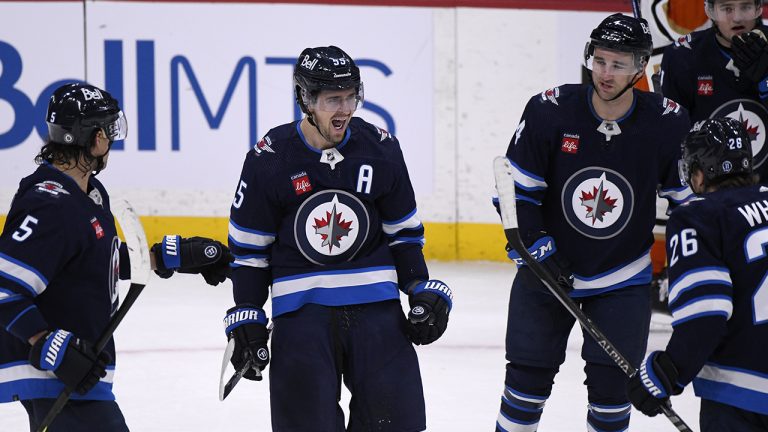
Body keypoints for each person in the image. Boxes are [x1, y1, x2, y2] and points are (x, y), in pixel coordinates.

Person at [222, 45, 453, 431]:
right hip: (301, 318)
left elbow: (405, 236)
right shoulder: (271, 158)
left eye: (351, 97)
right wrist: (246, 313)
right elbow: (249, 252)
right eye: (333, 99)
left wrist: (420, 289)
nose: (344, 109)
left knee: (396, 424)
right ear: (305, 99)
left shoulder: (381, 148)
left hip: (378, 313)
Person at [495, 14, 692, 432]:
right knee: (524, 385)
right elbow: (515, 192)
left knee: (611, 396)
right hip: (545, 272)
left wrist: (691, 264)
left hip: (622, 277)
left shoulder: (668, 122)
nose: (605, 73)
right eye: (599, 61)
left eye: (619, 64)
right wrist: (535, 246)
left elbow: (690, 207)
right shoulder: (550, 110)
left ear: (641, 67)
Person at [0, 82, 233, 431]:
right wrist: (48, 345)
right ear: (95, 139)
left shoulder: (88, 194)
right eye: (108, 131)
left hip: (80, 376)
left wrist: (166, 257)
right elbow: (5, 287)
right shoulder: (50, 203)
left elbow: (89, 263)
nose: (111, 141)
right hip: (58, 378)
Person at [627, 117, 768, 431]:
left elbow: (706, 314)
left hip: (743, 393)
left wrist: (668, 371)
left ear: (700, 173)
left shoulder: (699, 217)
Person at [660, 0, 768, 180]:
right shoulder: (683, 57)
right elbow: (673, 141)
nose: (737, 17)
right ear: (710, 11)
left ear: (758, 8)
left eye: (746, 7)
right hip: (710, 195)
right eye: (727, 8)